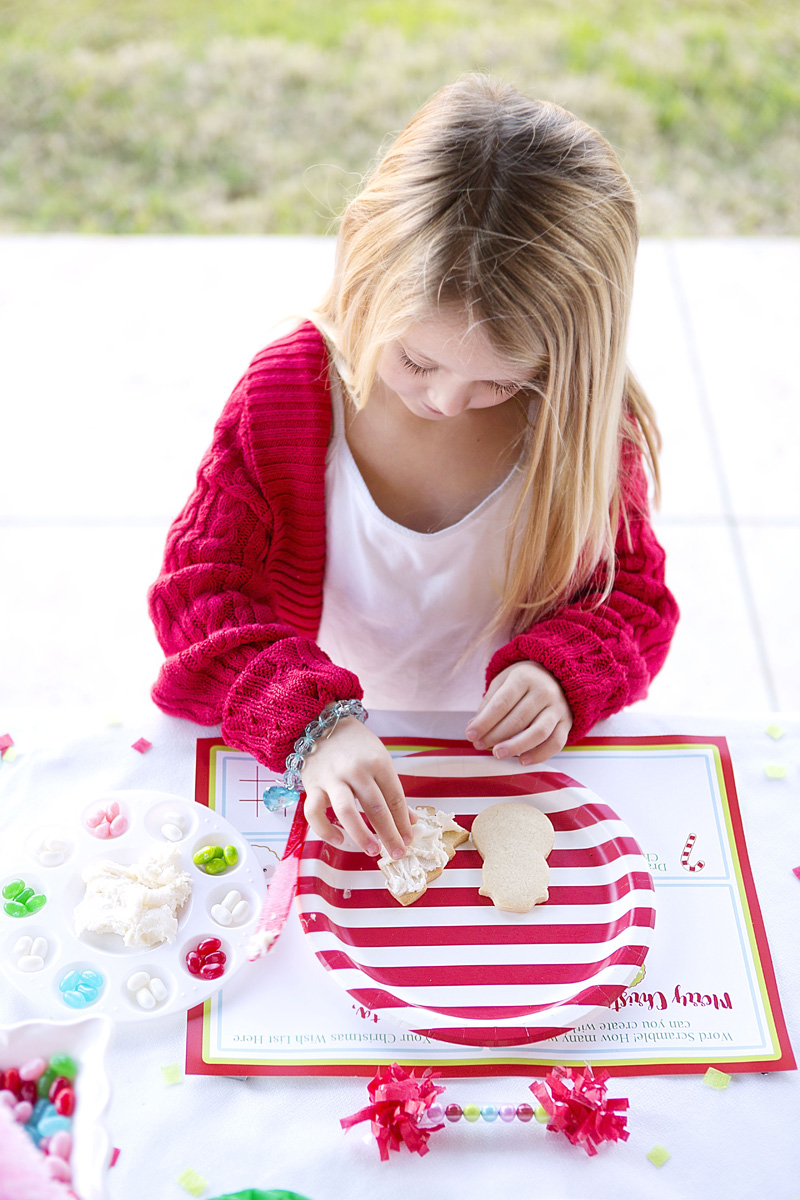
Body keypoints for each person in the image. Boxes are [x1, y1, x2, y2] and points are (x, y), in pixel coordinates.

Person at [148, 75, 678, 867]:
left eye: (500, 381)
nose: (446, 400)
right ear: (365, 268)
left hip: (503, 775)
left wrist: (562, 673)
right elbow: (199, 595)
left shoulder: (583, 426)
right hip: (321, 758)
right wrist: (311, 725)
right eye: (417, 360)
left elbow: (631, 598)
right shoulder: (290, 396)